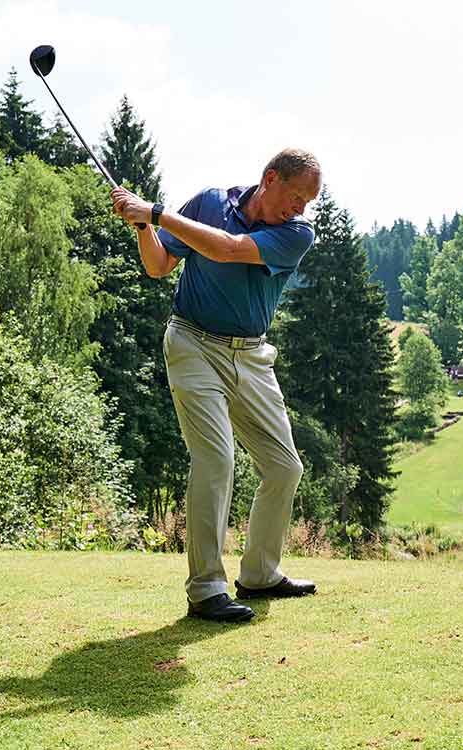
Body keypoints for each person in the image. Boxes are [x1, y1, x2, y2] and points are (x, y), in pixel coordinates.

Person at [110, 148, 323, 622]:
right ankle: (206, 588)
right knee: (216, 458)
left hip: (250, 354)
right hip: (191, 343)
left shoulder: (296, 234)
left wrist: (157, 212)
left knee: (284, 466)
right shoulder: (208, 202)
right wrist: (145, 227)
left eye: (308, 202)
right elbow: (159, 265)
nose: (300, 209)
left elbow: (227, 249)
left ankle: (261, 573)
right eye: (295, 196)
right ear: (270, 178)